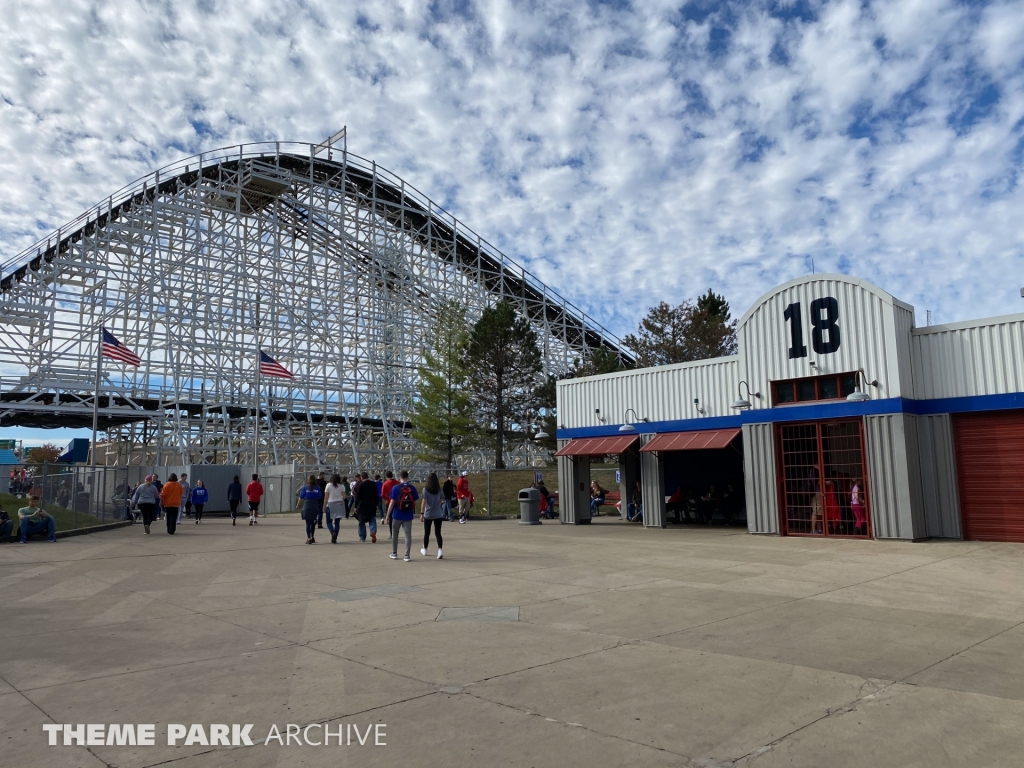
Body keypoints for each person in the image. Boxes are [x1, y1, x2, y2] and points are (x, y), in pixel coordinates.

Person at [386, 470, 419, 561]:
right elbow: (415, 502)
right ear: (408, 477)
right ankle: (407, 555)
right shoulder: (412, 488)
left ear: (399, 478)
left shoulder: (395, 488)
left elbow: (392, 502)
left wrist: (388, 515)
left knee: (395, 534)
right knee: (407, 535)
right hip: (408, 515)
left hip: (397, 514)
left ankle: (394, 553)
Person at [420, 472, 445, 559]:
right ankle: (440, 550)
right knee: (438, 533)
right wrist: (439, 502)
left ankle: (425, 549)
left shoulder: (425, 490)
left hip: (428, 513)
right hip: (438, 513)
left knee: (427, 533)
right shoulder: (439, 489)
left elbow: (424, 502)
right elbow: (442, 499)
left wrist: (422, 513)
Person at [297, 473, 323, 544]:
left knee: (308, 523)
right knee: (313, 523)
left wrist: (298, 505)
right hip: (314, 505)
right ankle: (312, 536)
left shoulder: (305, 487)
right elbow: (319, 496)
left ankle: (308, 538)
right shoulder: (317, 487)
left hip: (307, 505)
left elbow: (301, 496)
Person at [354, 471, 379, 543]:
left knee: (361, 521)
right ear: (367, 477)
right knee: (372, 519)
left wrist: (356, 506)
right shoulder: (373, 484)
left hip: (363, 505)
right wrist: (376, 504)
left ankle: (362, 537)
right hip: (372, 504)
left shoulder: (361, 485)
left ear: (361, 477)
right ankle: (373, 531)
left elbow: (357, 496)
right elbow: (376, 495)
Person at [324, 473, 347, 544]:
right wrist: (341, 498)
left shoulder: (328, 485)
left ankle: (332, 532)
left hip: (330, 503)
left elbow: (326, 497)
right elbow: (344, 496)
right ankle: (335, 535)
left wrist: (324, 505)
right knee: (337, 522)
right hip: (339, 503)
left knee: (328, 521)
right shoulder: (342, 486)